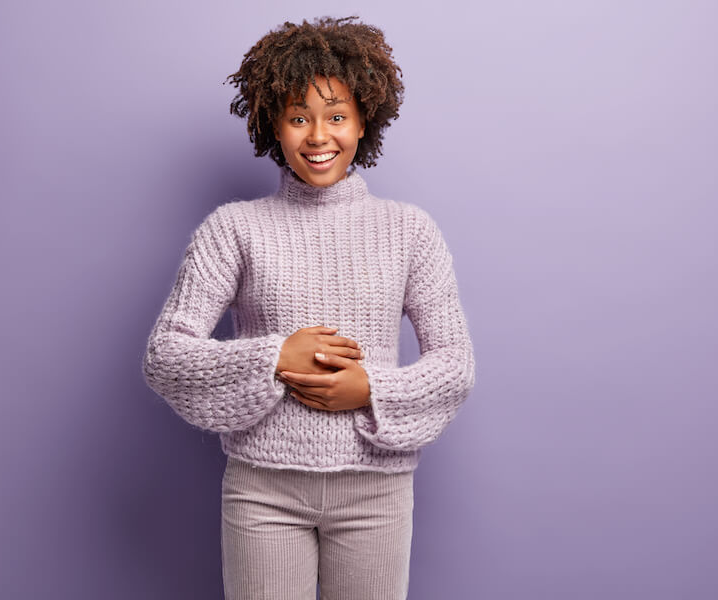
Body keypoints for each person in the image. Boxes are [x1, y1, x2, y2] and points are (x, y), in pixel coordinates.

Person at [142, 15, 476, 600]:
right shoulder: (234, 230)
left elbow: (455, 363)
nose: (318, 136)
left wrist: (372, 389)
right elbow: (166, 356)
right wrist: (276, 356)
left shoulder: (409, 232)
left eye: (336, 116)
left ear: (363, 120)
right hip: (262, 491)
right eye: (299, 117)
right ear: (274, 123)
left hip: (376, 492)